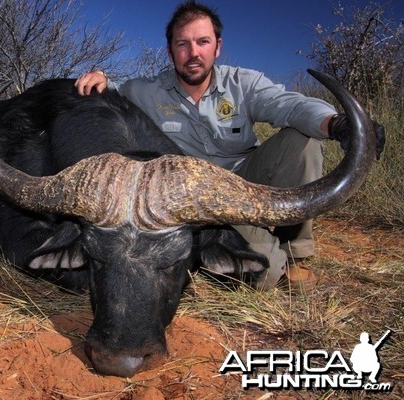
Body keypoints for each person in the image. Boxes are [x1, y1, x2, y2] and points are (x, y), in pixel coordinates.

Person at [74, 1, 385, 291]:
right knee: (265, 276)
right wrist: (101, 75)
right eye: (182, 44)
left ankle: (296, 252)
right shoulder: (146, 90)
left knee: (303, 141)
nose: (193, 53)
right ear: (170, 52)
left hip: (246, 182)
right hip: (197, 202)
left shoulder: (243, 82)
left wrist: (337, 124)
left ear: (217, 47)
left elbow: (290, 106)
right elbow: (112, 88)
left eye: (202, 42)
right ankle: (251, 255)